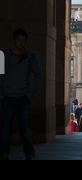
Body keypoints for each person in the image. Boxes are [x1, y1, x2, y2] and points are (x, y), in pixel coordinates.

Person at [0, 28, 43, 160]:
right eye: (18, 39)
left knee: (26, 128)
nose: (20, 42)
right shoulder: (4, 56)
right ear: (14, 40)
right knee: (5, 129)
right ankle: (4, 152)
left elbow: (39, 74)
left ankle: (29, 152)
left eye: (23, 40)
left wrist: (31, 92)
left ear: (26, 41)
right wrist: (1, 94)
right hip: (8, 97)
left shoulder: (30, 56)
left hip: (23, 97)